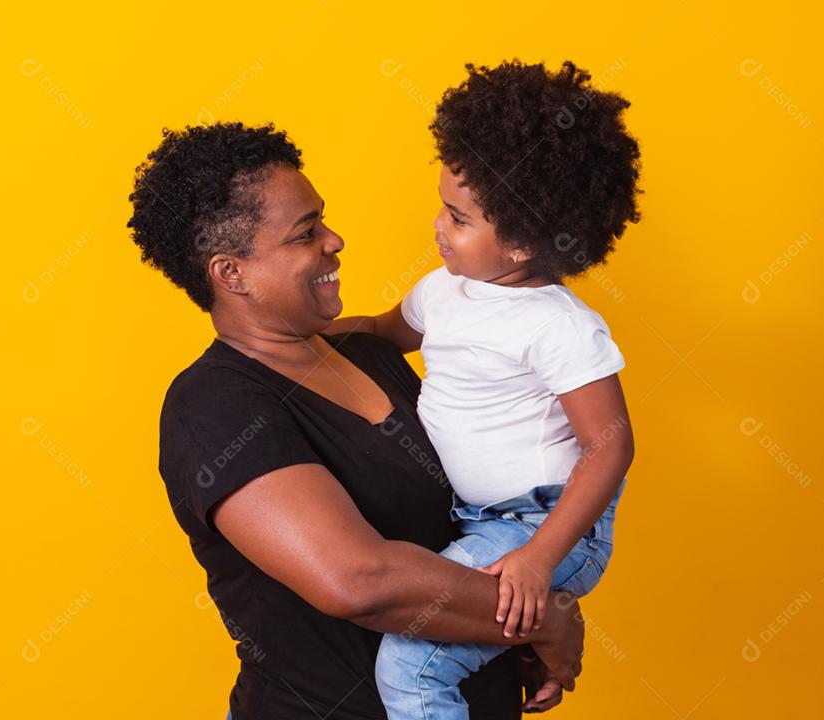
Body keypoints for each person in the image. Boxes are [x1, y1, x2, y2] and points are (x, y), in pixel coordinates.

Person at [126, 121, 586, 720]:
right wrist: (542, 616)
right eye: (304, 234)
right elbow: (358, 580)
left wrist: (502, 634)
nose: (335, 240)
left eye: (324, 219)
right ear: (230, 273)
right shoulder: (213, 406)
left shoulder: (371, 358)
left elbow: (462, 525)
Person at [326, 60, 641, 720]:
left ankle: (534, 624)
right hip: (479, 524)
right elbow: (382, 331)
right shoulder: (442, 290)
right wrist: (304, 337)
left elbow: (609, 448)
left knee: (409, 666)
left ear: (525, 243)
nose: (439, 226)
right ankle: (531, 646)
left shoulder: (559, 326)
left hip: (545, 524)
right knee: (452, 628)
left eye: (458, 217)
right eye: (443, 207)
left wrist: (536, 558)